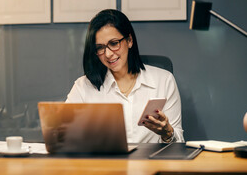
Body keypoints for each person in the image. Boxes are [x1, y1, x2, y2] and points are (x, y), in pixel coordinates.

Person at [66, 9, 184, 143]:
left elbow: (178, 144)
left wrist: (167, 133)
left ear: (129, 40)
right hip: (104, 163)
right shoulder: (83, 87)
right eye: (100, 47)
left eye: (114, 43)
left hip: (150, 162)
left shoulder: (164, 80)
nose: (108, 54)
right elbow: (63, 136)